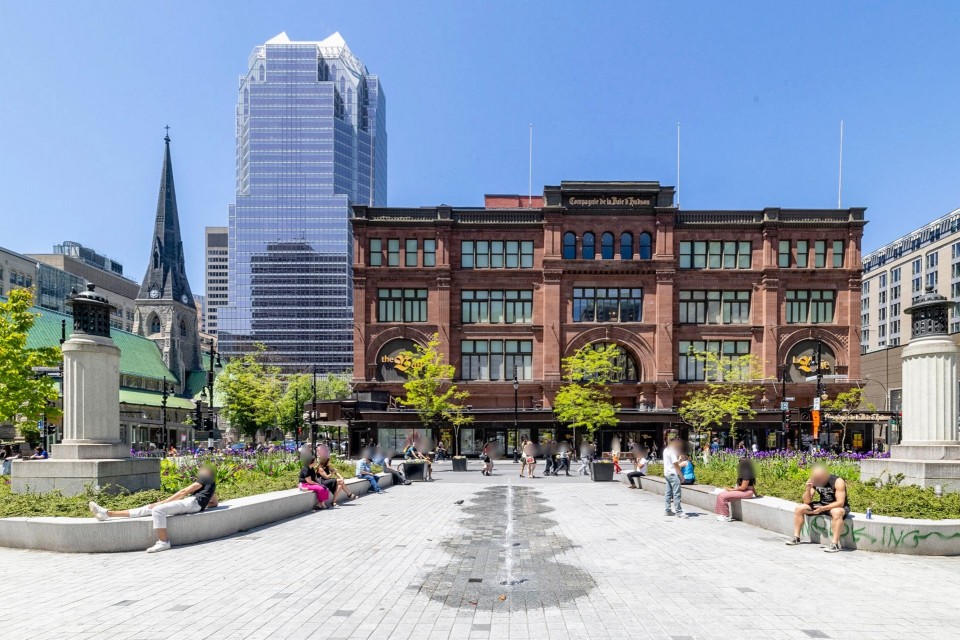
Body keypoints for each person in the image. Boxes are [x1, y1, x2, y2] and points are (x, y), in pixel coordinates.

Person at [88, 465, 219, 553]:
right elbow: (214, 502)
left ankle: (164, 542)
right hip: (193, 504)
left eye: (201, 470)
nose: (199, 472)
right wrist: (202, 505)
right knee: (147, 509)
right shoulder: (210, 483)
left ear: (207, 473)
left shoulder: (205, 478)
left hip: (192, 502)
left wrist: (162, 503)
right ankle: (107, 513)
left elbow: (183, 492)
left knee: (158, 510)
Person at [785, 464, 850, 552]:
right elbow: (806, 501)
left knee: (836, 512)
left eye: (819, 478)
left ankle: (834, 544)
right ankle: (796, 537)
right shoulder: (814, 480)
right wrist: (808, 489)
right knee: (799, 508)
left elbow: (840, 502)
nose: (817, 480)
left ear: (825, 475)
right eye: (816, 478)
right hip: (822, 504)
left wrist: (823, 508)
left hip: (837, 506)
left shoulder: (838, 481)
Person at [715, 457, 757, 522]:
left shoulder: (746, 473)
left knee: (722, 496)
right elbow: (751, 486)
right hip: (745, 491)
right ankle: (722, 514)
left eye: (739, 462)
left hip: (746, 492)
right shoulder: (745, 472)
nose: (738, 464)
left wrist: (731, 490)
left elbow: (743, 487)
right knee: (721, 494)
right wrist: (756, 494)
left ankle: (725, 516)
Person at [662, 439, 687, 518]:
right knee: (677, 493)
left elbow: (671, 462)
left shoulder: (666, 450)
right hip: (673, 474)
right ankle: (679, 512)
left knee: (668, 492)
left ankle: (667, 510)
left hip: (667, 473)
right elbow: (675, 464)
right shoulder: (672, 451)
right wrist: (681, 475)